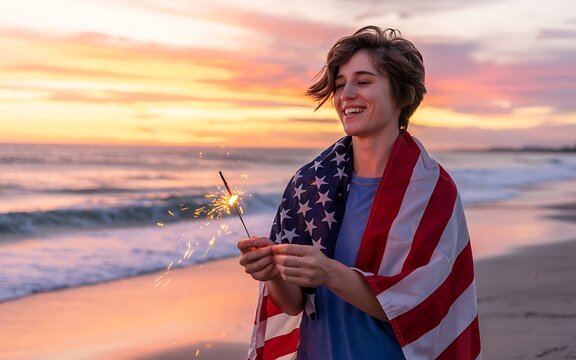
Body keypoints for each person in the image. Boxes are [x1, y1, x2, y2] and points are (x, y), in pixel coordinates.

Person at [238, 26, 481, 360]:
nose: (345, 94)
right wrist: (272, 273)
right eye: (340, 84)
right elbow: (293, 303)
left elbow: (419, 305)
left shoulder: (432, 192)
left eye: (363, 82)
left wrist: (328, 272)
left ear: (403, 94)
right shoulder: (309, 184)